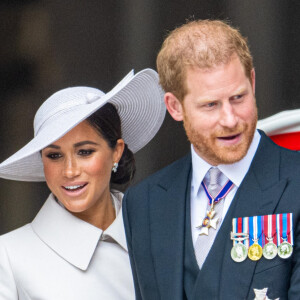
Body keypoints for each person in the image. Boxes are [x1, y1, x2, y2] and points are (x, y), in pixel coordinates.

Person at [123, 20, 300, 300]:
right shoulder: (143, 204)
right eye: (211, 105)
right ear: (175, 106)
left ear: (252, 82)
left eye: (238, 97)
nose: (230, 120)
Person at [0, 69, 165, 299]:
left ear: (116, 152)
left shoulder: (162, 235)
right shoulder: (8, 256)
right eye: (54, 156)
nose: (69, 171)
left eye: (85, 152)